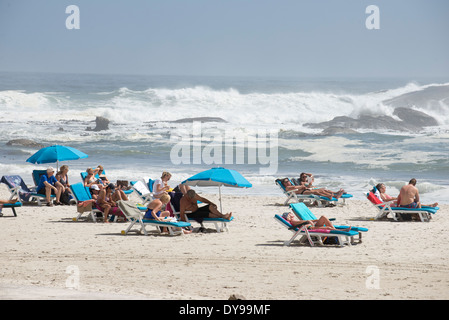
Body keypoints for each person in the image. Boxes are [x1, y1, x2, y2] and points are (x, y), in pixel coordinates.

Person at [281, 211, 348, 231]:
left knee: (323, 217)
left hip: (311, 225)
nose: (290, 214)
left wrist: (315, 220)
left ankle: (335, 229)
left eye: (290, 213)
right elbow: (302, 222)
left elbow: (305, 221)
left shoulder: (295, 220)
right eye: (288, 215)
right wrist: (308, 221)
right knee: (328, 228)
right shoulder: (293, 221)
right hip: (310, 228)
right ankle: (341, 231)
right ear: (288, 218)